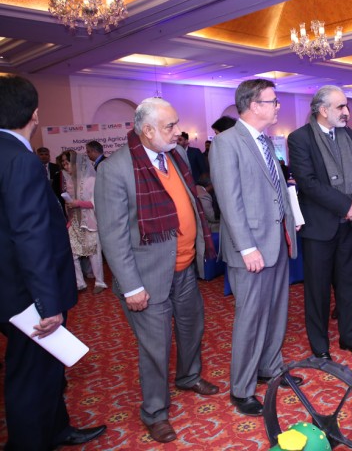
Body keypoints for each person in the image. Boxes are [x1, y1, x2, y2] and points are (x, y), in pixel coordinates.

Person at [95, 97, 219, 443]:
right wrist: (131, 285)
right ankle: (154, 411)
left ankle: (189, 376)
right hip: (146, 277)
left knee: (192, 327)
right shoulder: (116, 169)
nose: (178, 132)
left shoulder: (176, 158)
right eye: (170, 126)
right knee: (155, 346)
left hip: (184, 269)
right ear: (147, 130)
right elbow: (113, 234)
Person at [0, 74, 106, 450]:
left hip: (9, 290)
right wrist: (48, 304)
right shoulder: (22, 160)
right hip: (28, 296)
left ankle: (58, 429)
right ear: (34, 113)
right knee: (31, 377)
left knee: (47, 370)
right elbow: (31, 238)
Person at [209, 79, 300, 417]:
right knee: (250, 319)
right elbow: (230, 201)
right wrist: (247, 247)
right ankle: (242, 388)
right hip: (251, 248)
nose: (277, 106)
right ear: (253, 105)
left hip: (277, 242)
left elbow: (275, 189)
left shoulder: (266, 141)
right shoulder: (227, 143)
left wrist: (291, 221)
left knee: (276, 311)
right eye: (272, 101)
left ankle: (270, 368)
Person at [288, 85, 352, 360]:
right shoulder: (300, 139)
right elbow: (308, 183)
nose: (347, 112)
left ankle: (348, 336)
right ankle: (320, 344)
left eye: (346, 106)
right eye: (341, 107)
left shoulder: (351, 137)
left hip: (351, 223)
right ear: (323, 110)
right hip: (320, 227)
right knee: (318, 290)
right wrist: (344, 204)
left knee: (350, 285)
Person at [59, 149, 109, 293]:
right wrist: (70, 206)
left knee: (93, 252)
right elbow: (70, 203)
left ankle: (100, 282)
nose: (65, 166)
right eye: (63, 163)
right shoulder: (69, 181)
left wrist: (78, 203)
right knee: (73, 253)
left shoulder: (91, 180)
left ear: (76, 163)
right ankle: (80, 283)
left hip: (90, 220)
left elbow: (96, 202)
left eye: (67, 163)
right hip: (75, 221)